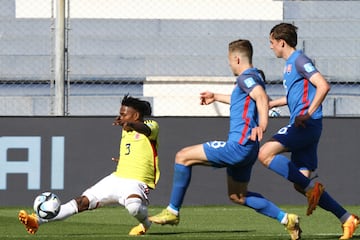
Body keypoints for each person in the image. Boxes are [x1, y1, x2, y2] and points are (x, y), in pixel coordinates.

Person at [149, 39, 301, 240]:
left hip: (238, 146)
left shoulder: (245, 78)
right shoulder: (254, 76)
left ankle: (173, 211)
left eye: (229, 60)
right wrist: (216, 96)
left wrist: (262, 124)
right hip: (249, 149)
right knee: (238, 195)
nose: (229, 64)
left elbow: (261, 98)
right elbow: (245, 99)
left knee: (183, 156)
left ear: (236, 58)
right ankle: (287, 219)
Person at [257, 22, 359, 240]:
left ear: (281, 42)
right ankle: (346, 218)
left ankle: (314, 189)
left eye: (271, 43)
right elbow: (297, 95)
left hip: (304, 124)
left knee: (265, 153)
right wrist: (273, 104)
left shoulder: (300, 60)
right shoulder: (291, 64)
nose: (271, 47)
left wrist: (308, 113)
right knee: (301, 182)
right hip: (307, 126)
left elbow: (323, 85)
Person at [18, 95, 160, 236]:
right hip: (116, 179)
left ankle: (146, 223)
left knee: (134, 207)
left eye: (123, 114)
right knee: (82, 202)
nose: (120, 117)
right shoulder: (125, 131)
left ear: (135, 116)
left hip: (136, 182)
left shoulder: (151, 126)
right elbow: (135, 152)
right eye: (120, 114)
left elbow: (145, 129)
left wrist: (131, 124)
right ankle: (37, 220)